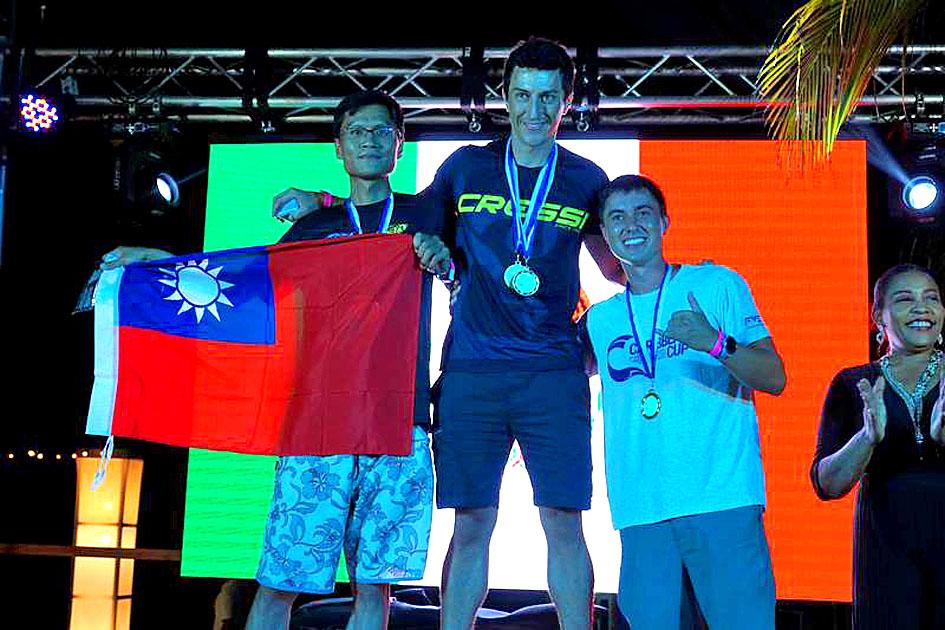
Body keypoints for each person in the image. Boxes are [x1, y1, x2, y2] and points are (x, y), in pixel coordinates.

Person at [274, 36, 623, 630]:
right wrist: (325, 200)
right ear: (504, 97)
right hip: (471, 374)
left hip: (553, 374)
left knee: (564, 522)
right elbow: (398, 217)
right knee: (471, 524)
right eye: (522, 95)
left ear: (566, 101)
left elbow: (617, 267)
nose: (534, 111)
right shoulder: (465, 167)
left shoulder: (587, 178)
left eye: (547, 97)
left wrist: (668, 293)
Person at [103, 89, 451, 630]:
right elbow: (244, 285)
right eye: (357, 132)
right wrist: (158, 263)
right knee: (280, 582)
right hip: (318, 423)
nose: (370, 141)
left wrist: (439, 256)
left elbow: (469, 258)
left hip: (398, 420)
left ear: (400, 144)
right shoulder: (311, 230)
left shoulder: (425, 212)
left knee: (375, 585)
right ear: (339, 147)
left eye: (382, 131)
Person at [581, 174, 786, 629]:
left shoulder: (715, 284)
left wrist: (715, 342)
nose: (631, 225)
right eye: (617, 217)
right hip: (641, 511)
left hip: (721, 499)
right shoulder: (600, 319)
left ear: (664, 222)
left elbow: (774, 377)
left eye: (643, 213)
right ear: (605, 234)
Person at [813, 263, 945, 629]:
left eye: (931, 298)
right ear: (878, 316)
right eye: (905, 299)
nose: (921, 308)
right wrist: (866, 438)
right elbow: (827, 484)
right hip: (887, 553)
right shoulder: (854, 384)